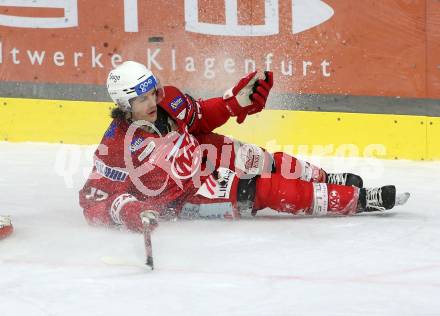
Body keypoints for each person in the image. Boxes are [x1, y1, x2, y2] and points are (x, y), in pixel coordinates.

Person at [79, 61, 410, 232]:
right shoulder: (116, 145)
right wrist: (129, 210)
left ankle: (326, 177)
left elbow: (198, 119)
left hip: (198, 150)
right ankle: (358, 200)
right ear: (124, 103)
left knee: (261, 160)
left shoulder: (169, 99)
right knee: (265, 190)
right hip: (187, 195)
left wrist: (234, 103)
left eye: (152, 92)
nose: (152, 102)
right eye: (141, 98)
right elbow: (91, 201)